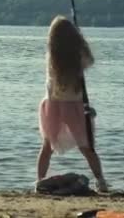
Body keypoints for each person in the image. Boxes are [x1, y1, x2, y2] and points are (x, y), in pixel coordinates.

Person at [36, 15, 108, 192]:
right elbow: (90, 61)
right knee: (87, 147)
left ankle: (40, 182)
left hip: (52, 105)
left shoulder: (52, 56)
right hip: (73, 105)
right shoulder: (77, 57)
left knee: (47, 147)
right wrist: (81, 39)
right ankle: (101, 181)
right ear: (73, 36)